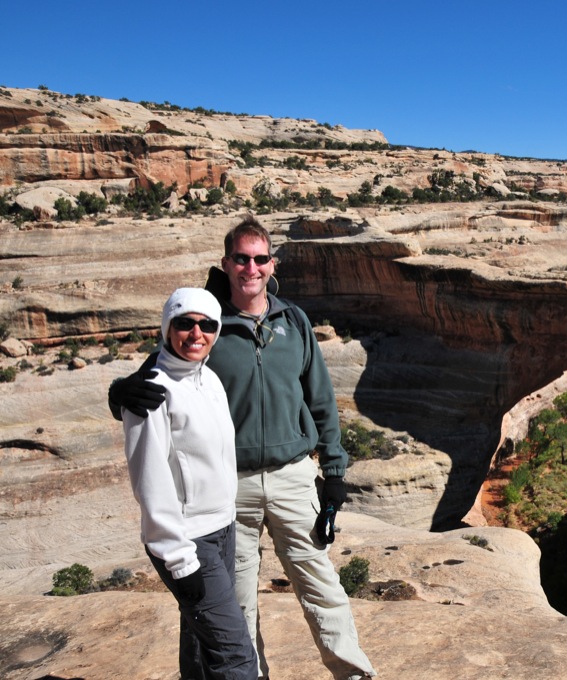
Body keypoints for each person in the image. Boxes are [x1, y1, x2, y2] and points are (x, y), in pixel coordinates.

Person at [111, 216, 375, 680]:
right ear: (226, 263)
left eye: (259, 259)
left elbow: (321, 399)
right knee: (237, 603)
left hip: (294, 477)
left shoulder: (293, 320)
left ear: (271, 264)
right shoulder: (209, 324)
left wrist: (333, 473)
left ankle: (354, 674)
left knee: (322, 587)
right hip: (229, 489)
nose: (250, 268)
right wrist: (121, 391)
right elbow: (161, 370)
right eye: (241, 259)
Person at [122, 287, 257, 680]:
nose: (196, 333)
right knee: (236, 657)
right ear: (167, 328)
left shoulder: (209, 379)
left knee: (201, 645)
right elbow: (151, 482)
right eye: (185, 323)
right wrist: (179, 560)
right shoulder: (150, 392)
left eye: (207, 325)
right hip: (188, 540)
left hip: (221, 529)